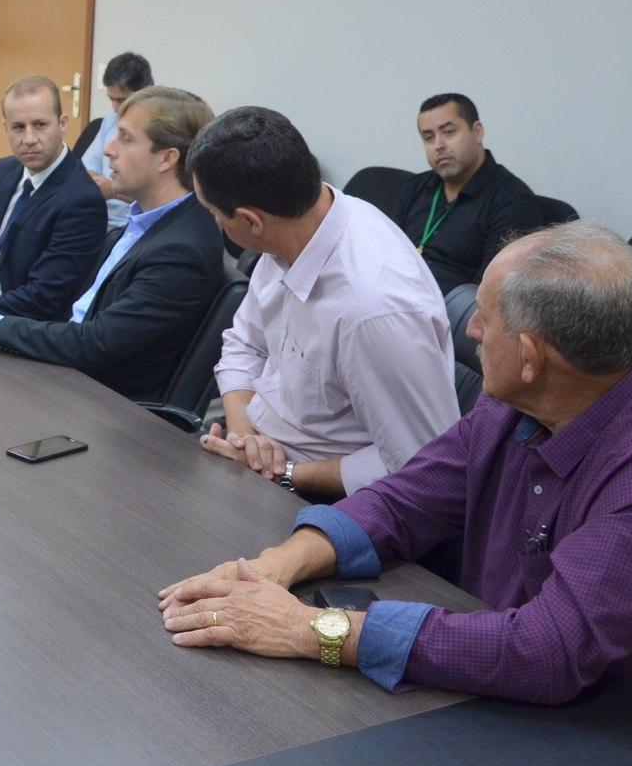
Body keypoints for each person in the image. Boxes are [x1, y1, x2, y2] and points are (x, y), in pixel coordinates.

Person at [160, 221, 632, 705]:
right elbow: (403, 500)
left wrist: (309, 629)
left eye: (485, 318)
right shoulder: (512, 404)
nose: (471, 329)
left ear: (529, 357)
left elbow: (547, 650)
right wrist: (273, 567)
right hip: (484, 686)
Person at [193, 106, 459, 498]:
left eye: (215, 215)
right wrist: (244, 437)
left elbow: (424, 469)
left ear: (251, 221)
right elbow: (244, 343)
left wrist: (281, 473)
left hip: (317, 496)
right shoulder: (292, 229)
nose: (216, 224)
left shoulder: (372, 312)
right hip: (257, 458)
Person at [0, 86, 224, 403]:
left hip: (97, 407)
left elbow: (93, 344)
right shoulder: (143, 224)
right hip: (66, 376)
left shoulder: (182, 251)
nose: (108, 150)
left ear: (167, 158)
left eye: (125, 139)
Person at [0, 75, 107, 321]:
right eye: (18, 127)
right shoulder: (3, 171)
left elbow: (43, 298)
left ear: (63, 124)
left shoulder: (81, 200)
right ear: (5, 128)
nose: (29, 139)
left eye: (40, 125)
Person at [393, 93, 544, 294]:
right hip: (396, 296)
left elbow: (491, 291)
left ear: (477, 132)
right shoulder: (417, 187)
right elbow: (388, 251)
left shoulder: (512, 199)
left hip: (455, 312)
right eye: (429, 137)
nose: (439, 145)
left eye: (448, 132)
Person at [79, 51, 153, 226]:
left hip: (134, 223)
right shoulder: (110, 121)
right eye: (111, 100)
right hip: (99, 216)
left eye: (122, 100)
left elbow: (158, 197)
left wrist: (114, 191)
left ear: (146, 91)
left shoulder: (159, 130)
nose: (115, 108)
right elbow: (87, 170)